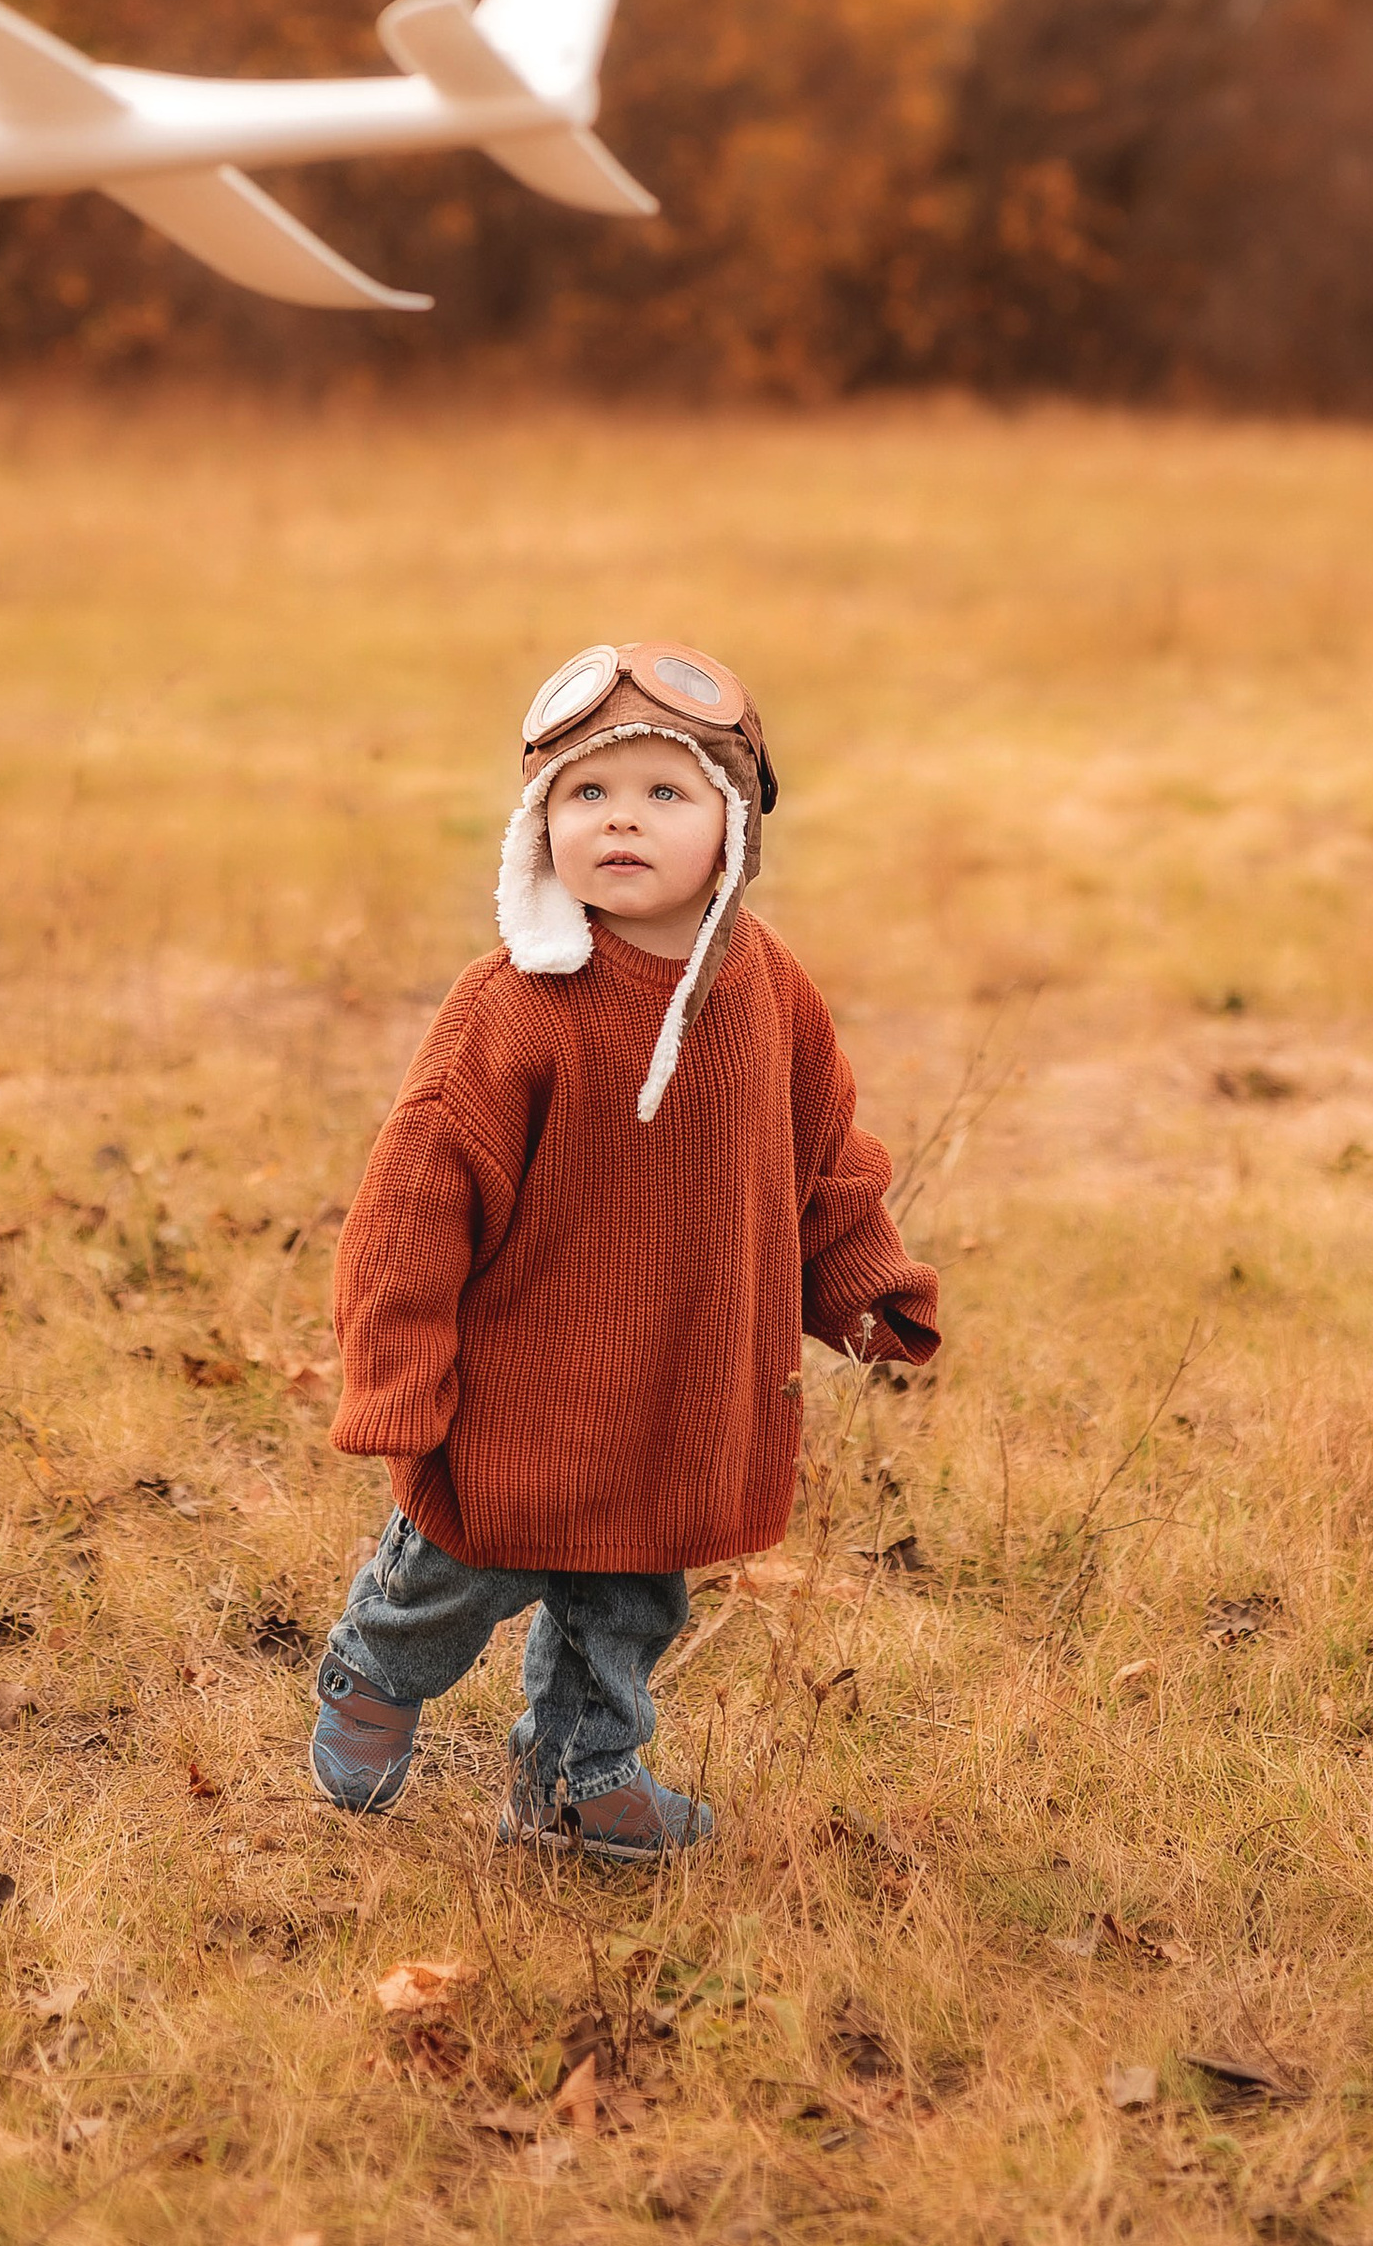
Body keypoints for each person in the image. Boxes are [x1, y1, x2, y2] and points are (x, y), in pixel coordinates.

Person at [309, 640, 941, 1858]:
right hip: (527, 1385)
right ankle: (373, 1669)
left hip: (685, 1381)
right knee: (467, 1560)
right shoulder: (516, 1008)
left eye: (666, 792)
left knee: (631, 1595)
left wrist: (864, 1287)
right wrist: (396, 1368)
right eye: (586, 794)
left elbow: (822, 1155)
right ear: (537, 824)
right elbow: (413, 1204)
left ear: (735, 828)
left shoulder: (768, 989)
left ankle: (578, 1774)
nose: (622, 822)